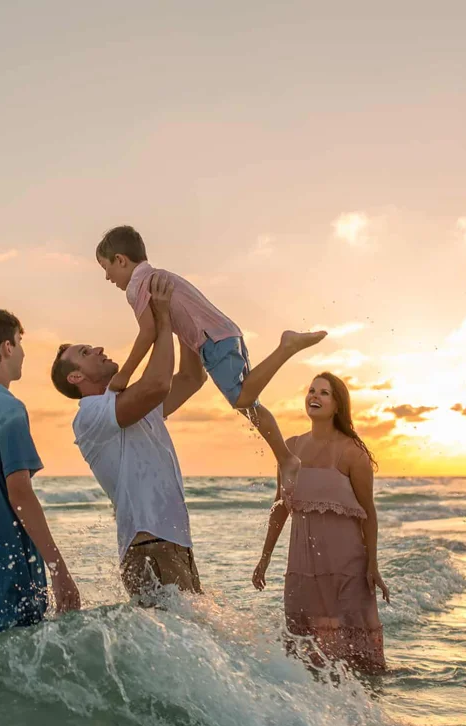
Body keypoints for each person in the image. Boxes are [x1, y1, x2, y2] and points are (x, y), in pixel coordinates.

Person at [95, 225, 326, 493]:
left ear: (120, 260)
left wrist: (124, 375)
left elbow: (148, 332)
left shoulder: (137, 286)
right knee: (249, 404)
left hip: (211, 341)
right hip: (222, 335)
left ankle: (286, 347)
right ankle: (286, 458)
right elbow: (180, 318)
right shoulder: (160, 276)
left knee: (243, 399)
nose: (107, 277)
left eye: (106, 268)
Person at [50, 272, 206, 602]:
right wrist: (162, 319)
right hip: (150, 546)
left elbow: (192, 377)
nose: (98, 348)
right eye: (85, 352)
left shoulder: (131, 402)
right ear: (76, 377)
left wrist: (180, 317)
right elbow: (158, 384)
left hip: (171, 542)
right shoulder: (90, 415)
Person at [0, 307, 80, 635]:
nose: (23, 352)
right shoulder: (9, 408)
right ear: (6, 348)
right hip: (14, 575)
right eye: (19, 343)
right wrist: (58, 570)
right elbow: (20, 493)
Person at [251, 372, 389, 673]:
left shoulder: (352, 453)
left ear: (338, 404)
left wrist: (373, 565)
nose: (314, 396)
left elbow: (369, 513)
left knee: (356, 662)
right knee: (305, 657)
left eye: (324, 393)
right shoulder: (289, 448)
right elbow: (280, 508)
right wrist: (265, 558)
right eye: (311, 390)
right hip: (302, 567)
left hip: (346, 568)